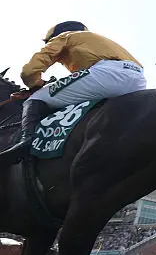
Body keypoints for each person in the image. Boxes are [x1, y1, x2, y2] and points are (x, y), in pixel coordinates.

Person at [0, 21, 146, 167]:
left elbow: (29, 72)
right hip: (138, 79)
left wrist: (36, 86)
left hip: (105, 75)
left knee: (36, 97)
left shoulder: (66, 36)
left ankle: (26, 142)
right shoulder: (100, 40)